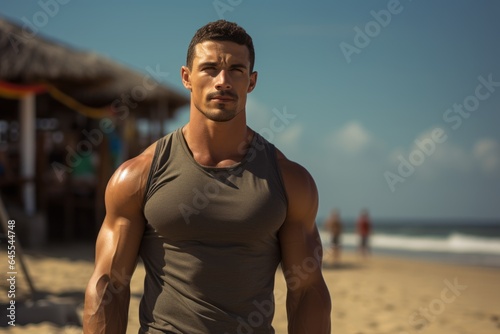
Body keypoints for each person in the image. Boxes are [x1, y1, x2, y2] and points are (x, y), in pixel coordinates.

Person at [83, 20, 331, 333]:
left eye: (236, 70)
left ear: (251, 82)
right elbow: (108, 284)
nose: (222, 81)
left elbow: (307, 290)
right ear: (186, 77)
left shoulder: (289, 180)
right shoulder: (137, 175)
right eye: (210, 68)